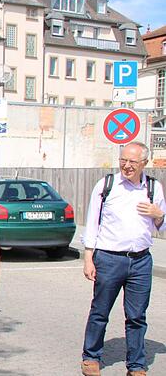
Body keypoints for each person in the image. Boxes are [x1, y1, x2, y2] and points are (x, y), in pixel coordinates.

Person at [80, 141, 164, 376]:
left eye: (132, 162)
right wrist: (89, 258)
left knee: (137, 316)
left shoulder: (153, 188)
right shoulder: (106, 185)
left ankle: (136, 365)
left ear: (144, 164)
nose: (126, 166)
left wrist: (159, 215)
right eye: (123, 160)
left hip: (140, 261)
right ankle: (91, 357)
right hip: (109, 259)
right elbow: (92, 222)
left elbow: (161, 226)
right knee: (100, 311)